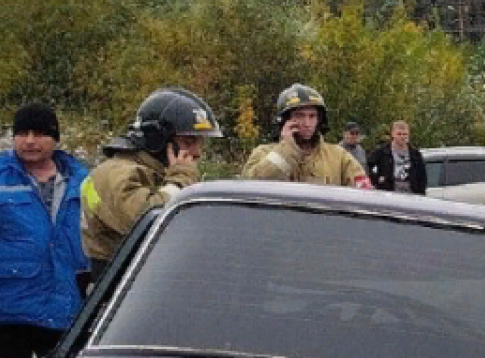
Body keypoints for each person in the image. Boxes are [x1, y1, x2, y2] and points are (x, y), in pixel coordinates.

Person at [0, 104, 90, 358]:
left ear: (55, 139)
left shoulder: (82, 181)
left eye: (38, 134)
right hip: (9, 311)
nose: (29, 141)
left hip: (65, 309)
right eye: (22, 133)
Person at [81, 87, 222, 280]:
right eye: (189, 141)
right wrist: (181, 179)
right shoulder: (114, 173)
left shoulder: (160, 173)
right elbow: (147, 222)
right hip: (118, 289)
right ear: (158, 139)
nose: (197, 152)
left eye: (200, 143)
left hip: (147, 282)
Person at [242, 84, 372, 188]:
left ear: (319, 120)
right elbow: (251, 189)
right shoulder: (263, 153)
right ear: (285, 120)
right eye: (299, 116)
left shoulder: (339, 157)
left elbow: (364, 196)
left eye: (312, 116)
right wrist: (285, 150)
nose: (307, 123)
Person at [367, 120, 426, 195]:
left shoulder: (415, 154)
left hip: (411, 194)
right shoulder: (382, 152)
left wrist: (421, 194)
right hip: (389, 194)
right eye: (399, 134)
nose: (402, 137)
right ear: (392, 134)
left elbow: (422, 176)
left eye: (405, 134)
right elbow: (367, 166)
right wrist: (377, 180)